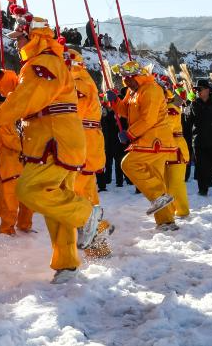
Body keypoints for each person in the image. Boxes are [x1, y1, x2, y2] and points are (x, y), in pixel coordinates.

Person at [0, 6, 103, 284]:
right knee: (57, 203)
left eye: (19, 37)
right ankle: (67, 262)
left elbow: (28, 96)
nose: (16, 42)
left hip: (54, 140)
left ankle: (89, 217)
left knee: (29, 190)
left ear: (33, 36)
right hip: (55, 139)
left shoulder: (44, 62)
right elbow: (22, 89)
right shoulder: (42, 63)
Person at [115, 61, 179, 231]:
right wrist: (114, 102)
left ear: (139, 76)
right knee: (155, 178)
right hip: (146, 139)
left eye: (130, 78)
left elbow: (148, 119)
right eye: (124, 79)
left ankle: (158, 197)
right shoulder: (132, 92)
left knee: (128, 163)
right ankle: (166, 221)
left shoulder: (151, 89)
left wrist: (129, 134)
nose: (127, 82)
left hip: (154, 139)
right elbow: (125, 111)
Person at [67, 49, 113, 259]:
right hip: (87, 142)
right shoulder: (83, 81)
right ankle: (100, 244)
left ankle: (99, 230)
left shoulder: (79, 83)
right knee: (89, 195)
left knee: (76, 194)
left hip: (83, 143)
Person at [0, 58, 34, 236]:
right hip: (9, 164)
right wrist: (26, 145)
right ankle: (7, 230)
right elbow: (8, 139)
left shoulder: (18, 115)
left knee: (27, 198)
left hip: (23, 164)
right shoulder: (0, 116)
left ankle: (25, 225)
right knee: (9, 200)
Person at [160, 76, 190, 218]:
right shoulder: (162, 109)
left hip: (175, 147)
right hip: (165, 149)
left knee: (176, 184)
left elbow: (167, 127)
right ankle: (171, 210)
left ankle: (183, 210)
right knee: (166, 184)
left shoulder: (171, 108)